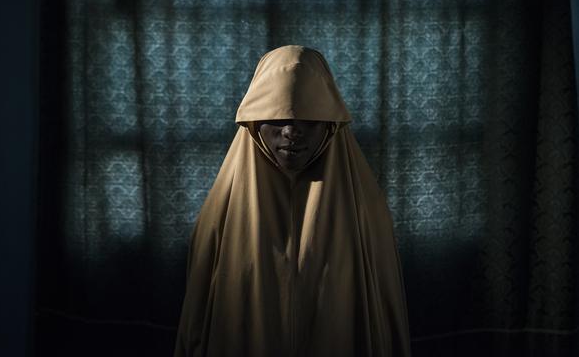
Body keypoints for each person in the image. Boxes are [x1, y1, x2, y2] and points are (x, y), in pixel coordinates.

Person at [174, 45, 411, 356]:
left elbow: (386, 317)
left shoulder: (365, 210)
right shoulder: (222, 211)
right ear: (255, 122)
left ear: (329, 123)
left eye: (308, 118)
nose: (290, 131)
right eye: (276, 117)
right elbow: (197, 318)